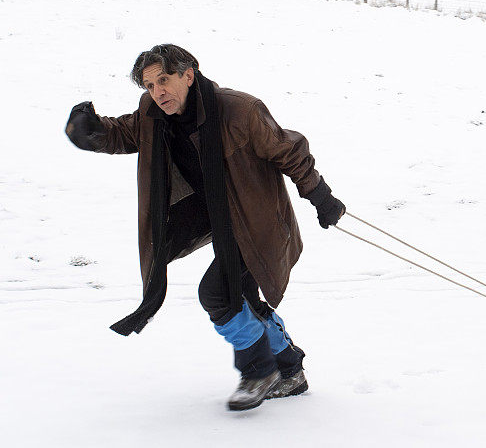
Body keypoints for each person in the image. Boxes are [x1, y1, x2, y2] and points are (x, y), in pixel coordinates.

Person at [64, 44, 345, 411]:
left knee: (217, 293)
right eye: (149, 85)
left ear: (189, 75)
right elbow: (126, 133)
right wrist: (94, 132)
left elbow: (288, 151)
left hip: (256, 219)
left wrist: (320, 196)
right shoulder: (153, 113)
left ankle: (259, 371)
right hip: (216, 218)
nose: (157, 92)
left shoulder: (239, 111)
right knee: (242, 296)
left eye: (163, 80)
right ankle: (290, 370)